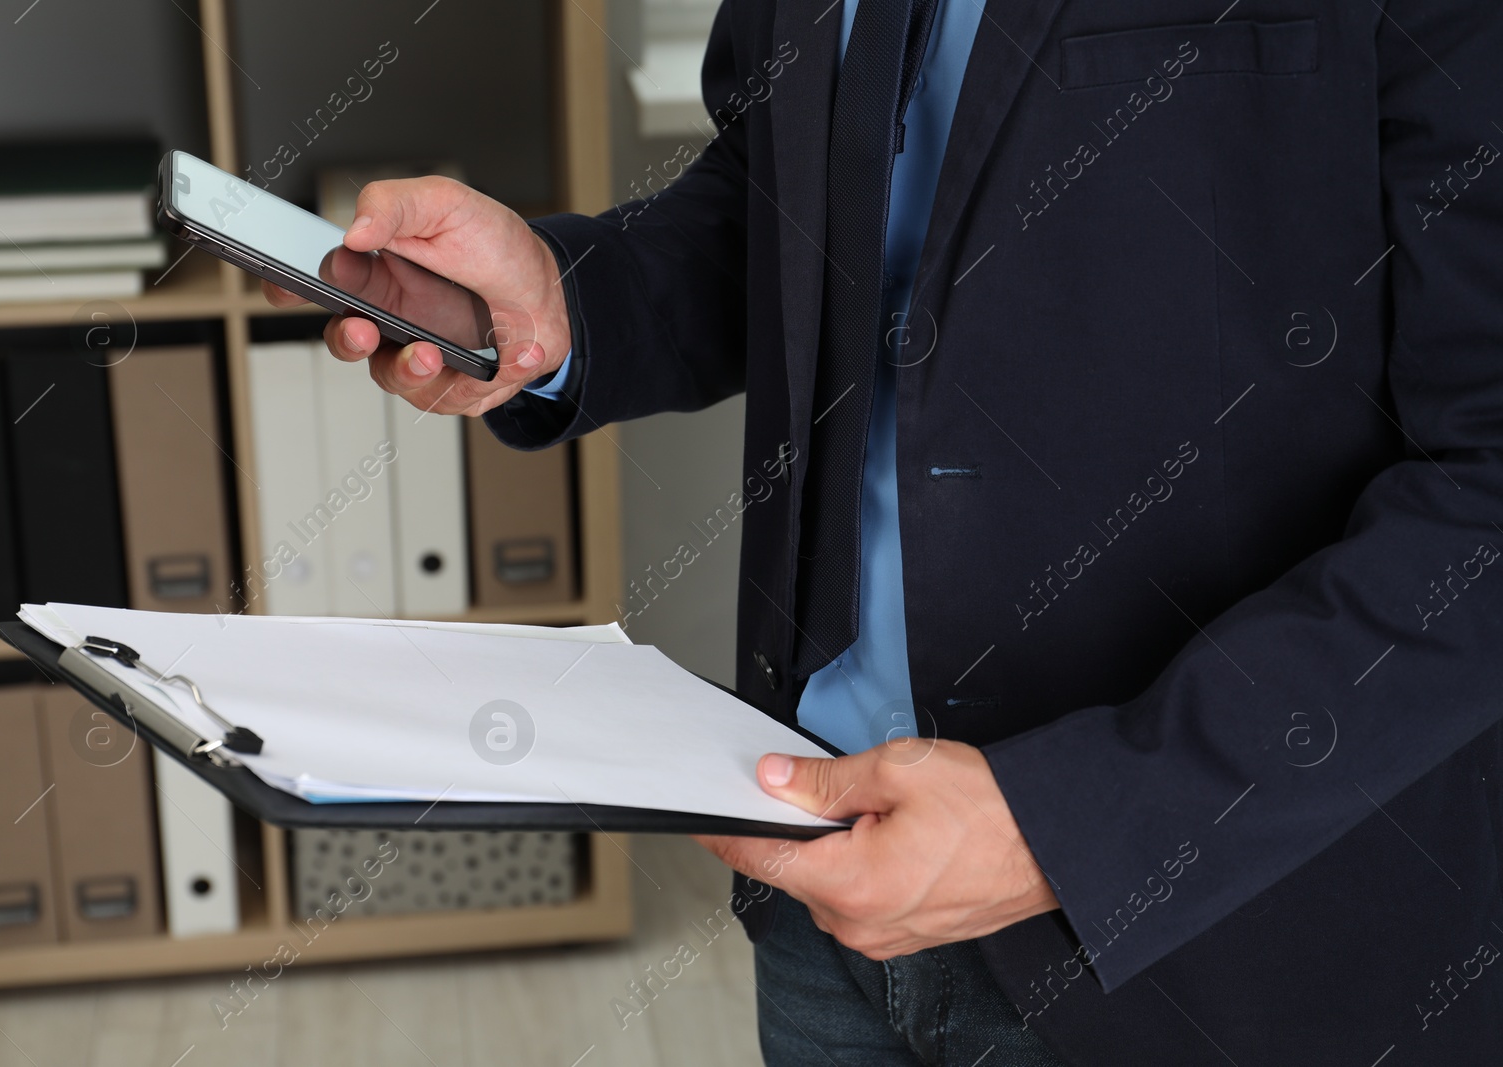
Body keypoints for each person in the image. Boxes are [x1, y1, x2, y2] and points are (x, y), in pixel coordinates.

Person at [265, 0, 1503, 1062]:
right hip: (826, 887)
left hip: (1220, 937)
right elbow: (803, 222)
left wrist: (1077, 826)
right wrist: (552, 302)